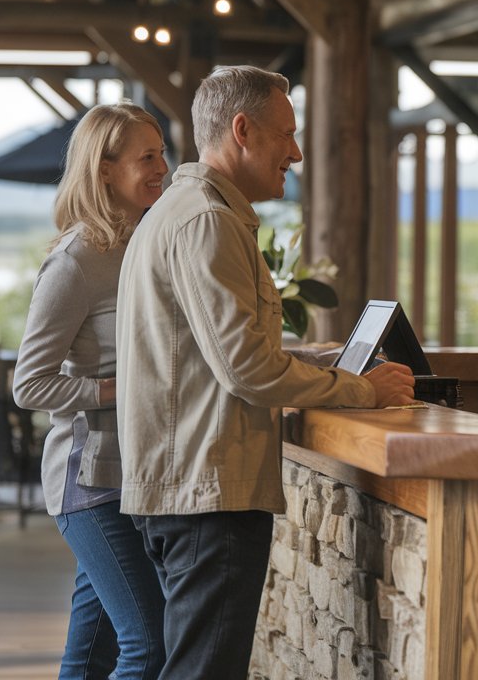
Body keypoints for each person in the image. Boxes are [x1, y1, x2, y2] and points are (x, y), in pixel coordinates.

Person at [116, 65, 416, 680]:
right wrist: (364, 388)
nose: (297, 152)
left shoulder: (181, 209)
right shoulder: (209, 220)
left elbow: (208, 352)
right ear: (242, 129)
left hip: (187, 484)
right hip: (207, 492)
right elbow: (246, 371)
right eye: (287, 134)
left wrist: (314, 359)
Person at [13, 102, 168, 680]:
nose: (163, 168)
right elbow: (29, 384)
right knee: (149, 644)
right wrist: (120, 389)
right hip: (89, 480)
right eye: (146, 157)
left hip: (137, 474)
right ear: (104, 169)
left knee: (92, 654)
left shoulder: (145, 246)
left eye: (163, 153)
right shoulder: (76, 260)